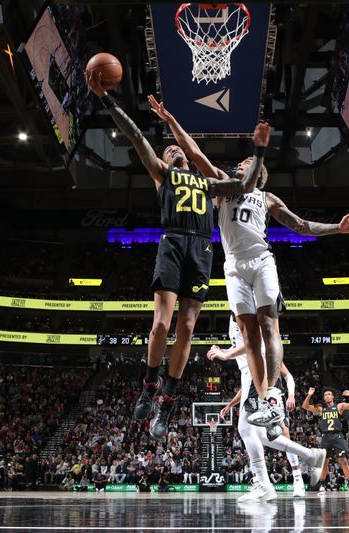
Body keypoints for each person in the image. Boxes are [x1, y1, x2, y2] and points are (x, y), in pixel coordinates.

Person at [148, 95, 349, 434]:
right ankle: (263, 396)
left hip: (261, 259)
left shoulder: (267, 197)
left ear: (258, 172)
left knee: (269, 328)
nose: (241, 165)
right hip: (233, 266)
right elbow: (194, 153)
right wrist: (171, 121)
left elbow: (302, 226)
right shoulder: (222, 185)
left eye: (248, 162)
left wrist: (338, 228)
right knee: (249, 335)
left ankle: (272, 399)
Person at [85, 71, 268, 438]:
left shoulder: (211, 182)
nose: (173, 151)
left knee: (186, 329)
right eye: (168, 150)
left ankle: (166, 403)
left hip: (201, 247)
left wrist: (260, 150)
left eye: (176, 149)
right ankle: (149, 386)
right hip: (172, 243)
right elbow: (136, 136)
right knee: (160, 325)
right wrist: (106, 99)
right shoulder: (162, 174)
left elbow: (247, 183)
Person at [210, 316, 326, 502]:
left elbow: (256, 342)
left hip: (258, 374)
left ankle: (265, 485)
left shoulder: (243, 310)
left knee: (246, 429)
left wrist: (225, 353)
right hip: (249, 375)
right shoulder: (235, 313)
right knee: (262, 435)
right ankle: (311, 455)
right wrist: (231, 403)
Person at [302, 387, 349, 492]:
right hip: (325, 437)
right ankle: (322, 485)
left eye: (329, 394)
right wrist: (309, 395)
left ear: (333, 396)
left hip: (337, 436)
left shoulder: (339, 406)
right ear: (324, 398)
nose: (327, 396)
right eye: (325, 395)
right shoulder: (321, 409)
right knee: (324, 462)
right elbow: (305, 406)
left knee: (343, 460)